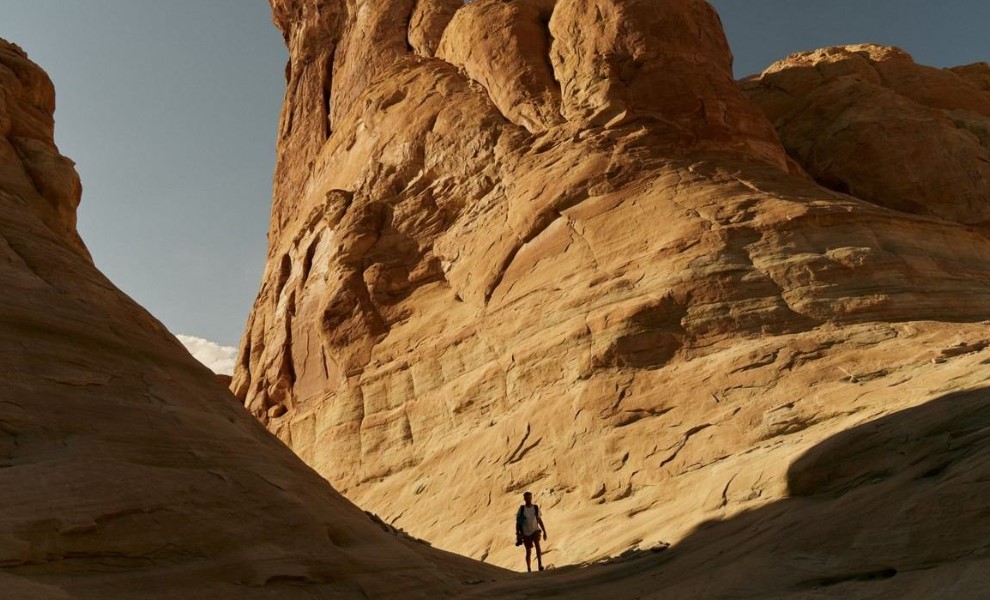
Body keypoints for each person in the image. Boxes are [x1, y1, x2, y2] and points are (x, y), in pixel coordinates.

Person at [515, 491, 548, 572]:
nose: (528, 499)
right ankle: (529, 568)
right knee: (528, 551)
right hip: (526, 533)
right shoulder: (522, 509)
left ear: (531, 498)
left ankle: (540, 565)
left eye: (529, 498)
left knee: (537, 545)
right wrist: (518, 534)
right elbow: (518, 522)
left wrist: (544, 531)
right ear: (524, 499)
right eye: (526, 498)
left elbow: (539, 520)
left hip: (535, 530)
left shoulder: (535, 508)